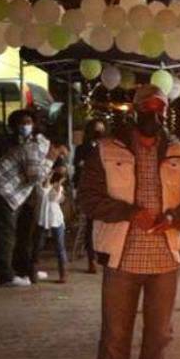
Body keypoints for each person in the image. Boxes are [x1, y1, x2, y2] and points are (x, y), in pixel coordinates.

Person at [78, 84, 180, 359]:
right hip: (122, 258)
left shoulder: (179, 152)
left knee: (159, 336)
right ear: (135, 110)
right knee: (115, 338)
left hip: (165, 259)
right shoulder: (107, 150)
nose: (155, 114)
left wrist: (176, 218)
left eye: (160, 107)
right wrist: (128, 213)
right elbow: (88, 198)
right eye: (148, 107)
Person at [0, 110, 61, 286]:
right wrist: (50, 160)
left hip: (9, 192)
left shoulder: (37, 145)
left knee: (19, 233)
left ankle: (21, 270)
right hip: (0, 189)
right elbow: (34, 176)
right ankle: (6, 277)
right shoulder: (35, 147)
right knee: (6, 233)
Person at [74, 117, 109, 274]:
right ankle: (91, 259)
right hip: (90, 192)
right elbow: (79, 166)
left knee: (105, 225)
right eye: (96, 130)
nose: (99, 133)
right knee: (90, 226)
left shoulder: (108, 147)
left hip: (105, 191)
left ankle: (103, 256)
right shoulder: (82, 148)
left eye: (101, 130)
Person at [33, 161, 69, 283]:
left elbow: (55, 198)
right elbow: (42, 194)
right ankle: (33, 273)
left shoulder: (59, 187)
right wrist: (47, 180)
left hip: (56, 219)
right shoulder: (39, 185)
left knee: (60, 247)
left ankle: (63, 275)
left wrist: (58, 186)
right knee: (37, 246)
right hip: (42, 219)